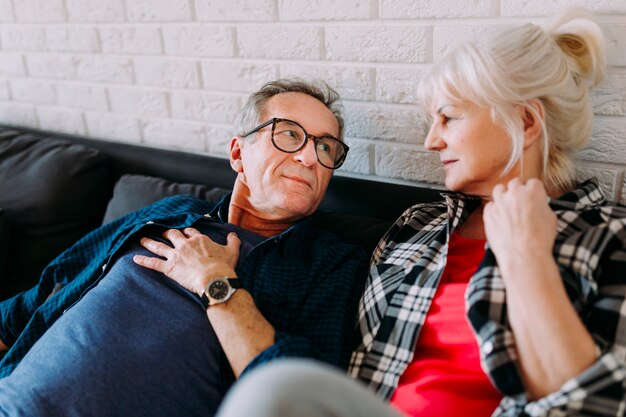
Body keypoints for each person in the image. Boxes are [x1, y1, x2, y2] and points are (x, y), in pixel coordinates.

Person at [215, 10, 626, 417]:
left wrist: (526, 256)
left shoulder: (607, 235)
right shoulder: (417, 227)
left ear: (524, 120)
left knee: (273, 389)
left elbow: (596, 403)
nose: (431, 141)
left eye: (448, 118)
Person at [0, 79, 368, 416]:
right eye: (289, 134)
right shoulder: (171, 211)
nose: (310, 158)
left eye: (325, 147)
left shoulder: (330, 262)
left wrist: (216, 281)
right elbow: (38, 299)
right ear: (238, 154)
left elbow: (303, 399)